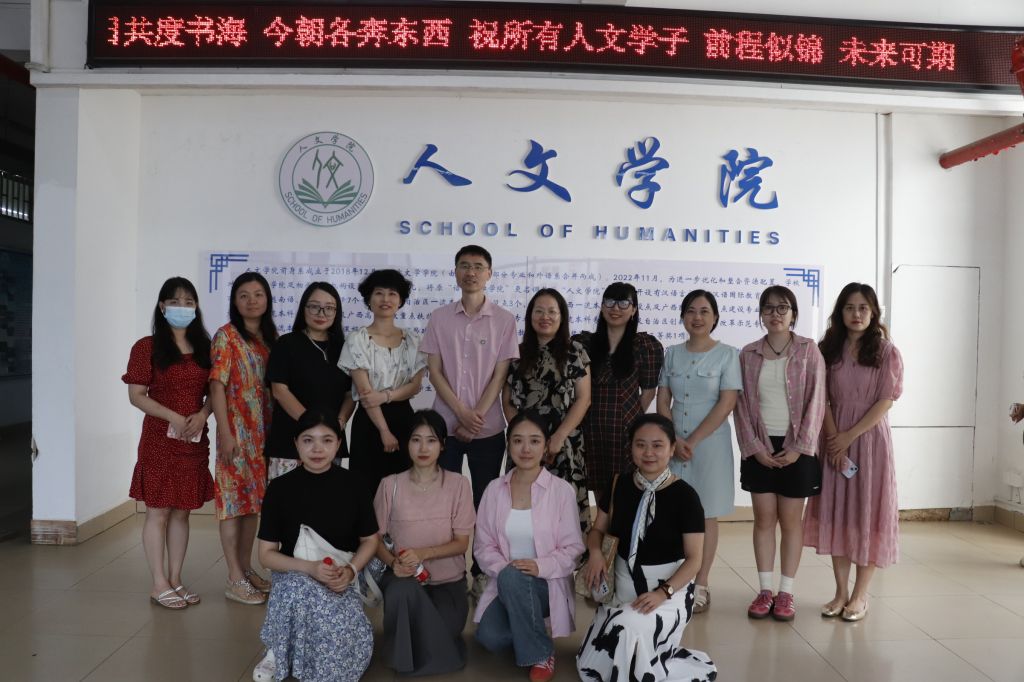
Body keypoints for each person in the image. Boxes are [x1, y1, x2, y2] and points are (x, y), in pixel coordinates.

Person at [577, 414, 716, 681]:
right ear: (631, 448)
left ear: (672, 449)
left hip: (667, 591)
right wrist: (594, 552)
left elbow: (694, 559)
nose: (648, 452)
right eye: (640, 445)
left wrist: (663, 593)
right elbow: (597, 531)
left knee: (626, 628)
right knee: (604, 650)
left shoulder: (686, 496)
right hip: (622, 587)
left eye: (657, 445)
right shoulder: (619, 484)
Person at [420, 244, 519, 597]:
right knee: (443, 501)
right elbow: (434, 371)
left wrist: (473, 417)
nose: (471, 272)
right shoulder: (439, 317)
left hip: (487, 429)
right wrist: (461, 413)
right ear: (456, 272)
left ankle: (480, 571)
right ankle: (445, 571)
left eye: (478, 266)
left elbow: (500, 375)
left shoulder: (505, 320)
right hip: (444, 428)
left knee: (484, 502)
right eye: (464, 265)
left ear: (489, 273)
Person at [252, 409, 378, 682]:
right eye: (308, 440)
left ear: (338, 444)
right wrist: (309, 568)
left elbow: (370, 540)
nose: (317, 449)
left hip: (341, 573)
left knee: (338, 644)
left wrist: (351, 571)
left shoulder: (355, 484)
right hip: (296, 574)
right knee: (300, 590)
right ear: (296, 444)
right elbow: (266, 555)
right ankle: (277, 650)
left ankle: (291, 650)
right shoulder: (279, 488)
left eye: (327, 440)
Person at [803, 283, 904, 622]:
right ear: (840, 312)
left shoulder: (886, 352)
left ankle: (860, 595)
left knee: (866, 515)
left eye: (863, 307)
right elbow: (823, 398)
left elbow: (886, 400)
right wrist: (834, 438)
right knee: (839, 514)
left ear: (873, 312)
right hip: (833, 439)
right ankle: (840, 592)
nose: (856, 314)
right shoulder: (827, 349)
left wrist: (849, 435)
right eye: (849, 307)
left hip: (870, 441)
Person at [734, 285, 826, 621]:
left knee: (790, 521)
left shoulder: (808, 350)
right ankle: (764, 590)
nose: (775, 314)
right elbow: (740, 406)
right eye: (769, 308)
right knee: (763, 519)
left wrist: (799, 448)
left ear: (793, 314)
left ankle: (786, 592)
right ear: (761, 314)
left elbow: (817, 401)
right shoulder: (748, 354)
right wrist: (755, 448)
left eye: (782, 307)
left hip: (797, 447)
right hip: (760, 446)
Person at [123, 276, 214, 609]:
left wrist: (203, 414)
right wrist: (173, 417)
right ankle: (158, 583)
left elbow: (216, 391)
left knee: (182, 512)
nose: (182, 307)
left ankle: (175, 579)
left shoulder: (205, 346)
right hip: (159, 439)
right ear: (162, 306)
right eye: (175, 302)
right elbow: (136, 395)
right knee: (158, 511)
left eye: (189, 302)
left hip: (193, 438)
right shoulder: (146, 347)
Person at [473, 411, 585, 682]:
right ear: (508, 445)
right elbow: (483, 546)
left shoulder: (561, 491)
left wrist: (538, 566)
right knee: (490, 637)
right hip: (505, 581)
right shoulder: (493, 489)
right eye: (518, 440)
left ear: (546, 446)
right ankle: (530, 627)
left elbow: (573, 549)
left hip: (547, 583)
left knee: (514, 579)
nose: (526, 449)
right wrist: (508, 569)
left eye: (534, 441)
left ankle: (541, 653)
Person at [656, 289, 741, 614]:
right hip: (673, 445)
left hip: (710, 446)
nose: (697, 317)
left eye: (704, 311)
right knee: (673, 511)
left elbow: (727, 402)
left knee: (706, 513)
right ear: (682, 316)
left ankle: (700, 583)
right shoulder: (672, 354)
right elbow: (664, 399)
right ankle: (674, 580)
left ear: (715, 317)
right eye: (691, 311)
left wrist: (692, 440)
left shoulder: (727, 355)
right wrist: (673, 439)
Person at [373, 409, 476, 676]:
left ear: (442, 445)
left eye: (431, 440)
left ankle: (410, 644)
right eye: (416, 440)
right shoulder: (390, 485)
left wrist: (423, 553)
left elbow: (461, 543)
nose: (423, 448)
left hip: (448, 583)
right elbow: (374, 540)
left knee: (444, 627)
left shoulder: (458, 485)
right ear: (406, 444)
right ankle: (421, 653)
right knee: (402, 593)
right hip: (404, 580)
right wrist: (393, 563)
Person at [209, 271, 278, 605]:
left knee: (253, 505)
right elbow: (217, 385)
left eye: (258, 294)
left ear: (267, 299)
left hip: (264, 436)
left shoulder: (270, 338)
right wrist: (224, 433)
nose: (252, 301)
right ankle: (234, 577)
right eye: (244, 295)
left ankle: (246, 568)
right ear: (235, 301)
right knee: (232, 505)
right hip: (236, 434)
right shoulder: (226, 336)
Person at [502, 288, 592, 533]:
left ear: (562, 316)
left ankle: (566, 557)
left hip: (564, 443)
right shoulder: (516, 354)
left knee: (565, 511)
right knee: (523, 507)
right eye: (539, 311)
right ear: (530, 316)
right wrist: (524, 438)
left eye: (552, 311)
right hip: (524, 446)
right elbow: (507, 401)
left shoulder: (575, 352)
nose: (545, 317)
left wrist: (558, 437)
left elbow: (583, 399)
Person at [340, 269, 427, 490]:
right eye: (379, 293)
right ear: (369, 299)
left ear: (401, 300)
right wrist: (384, 431)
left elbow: (415, 386)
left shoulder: (414, 340)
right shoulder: (357, 339)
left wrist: (386, 396)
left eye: (392, 293)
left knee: (403, 489)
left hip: (404, 419)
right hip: (370, 423)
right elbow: (366, 393)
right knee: (366, 488)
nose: (385, 299)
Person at [573, 281, 664, 492]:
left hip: (626, 430)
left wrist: (629, 418)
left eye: (624, 303)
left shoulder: (645, 346)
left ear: (634, 310)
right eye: (610, 301)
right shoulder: (584, 343)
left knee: (624, 489)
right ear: (602, 306)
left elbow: (648, 392)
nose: (615, 308)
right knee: (597, 487)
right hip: (588, 426)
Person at [265, 282, 353, 481]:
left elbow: (350, 394)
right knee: (289, 499)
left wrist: (338, 423)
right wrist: (312, 426)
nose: (321, 313)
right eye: (314, 306)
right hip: (290, 442)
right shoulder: (286, 343)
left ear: (336, 312)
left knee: (327, 499)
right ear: (303, 308)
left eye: (329, 308)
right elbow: (279, 390)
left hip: (330, 443)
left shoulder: (345, 348)